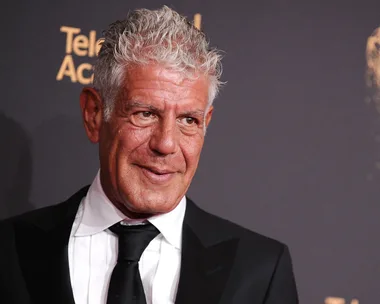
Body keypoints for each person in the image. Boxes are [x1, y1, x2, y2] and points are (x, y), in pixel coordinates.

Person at [0, 6, 298, 304]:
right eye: (145, 114)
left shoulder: (259, 271)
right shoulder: (9, 251)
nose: (166, 144)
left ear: (206, 123)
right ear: (93, 115)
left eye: (188, 120)